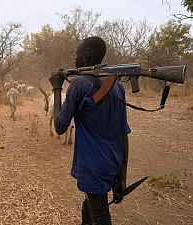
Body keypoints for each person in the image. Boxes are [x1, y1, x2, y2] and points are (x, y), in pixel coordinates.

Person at [48, 36, 131, 225]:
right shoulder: (117, 86)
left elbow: (60, 127)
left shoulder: (79, 85)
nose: (74, 60)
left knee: (100, 217)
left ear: (85, 57)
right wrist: (122, 175)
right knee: (90, 207)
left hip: (93, 167)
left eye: (76, 55)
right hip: (113, 163)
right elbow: (123, 134)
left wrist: (57, 87)